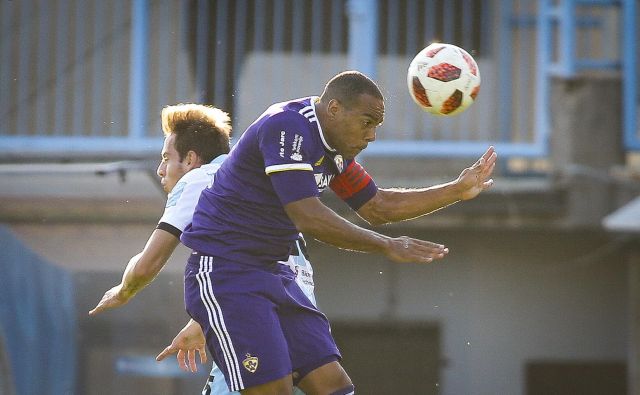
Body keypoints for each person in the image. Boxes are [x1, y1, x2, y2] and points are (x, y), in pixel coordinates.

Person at [180, 70, 497, 394]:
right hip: (227, 271)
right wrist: (387, 246)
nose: (371, 135)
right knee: (274, 390)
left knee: (333, 385)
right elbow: (308, 216)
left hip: (273, 272)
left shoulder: (333, 151)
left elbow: (377, 206)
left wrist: (456, 190)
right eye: (367, 121)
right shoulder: (287, 126)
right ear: (334, 109)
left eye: (376, 125)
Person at [89, 103, 317, 395]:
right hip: (300, 315)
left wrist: (123, 290)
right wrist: (203, 321)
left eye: (166, 158)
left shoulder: (200, 179)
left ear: (191, 159)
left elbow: (149, 263)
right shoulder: (259, 177)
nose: (160, 169)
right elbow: (255, 262)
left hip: (252, 318)